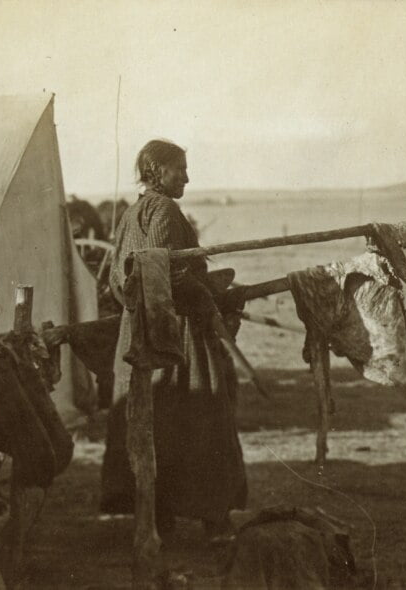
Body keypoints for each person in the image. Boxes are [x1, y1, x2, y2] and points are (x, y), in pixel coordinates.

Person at [100, 139, 247, 541]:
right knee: (204, 417)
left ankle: (159, 516)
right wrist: (207, 293)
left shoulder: (133, 213)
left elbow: (121, 278)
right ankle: (213, 518)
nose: (186, 176)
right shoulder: (163, 209)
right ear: (156, 171)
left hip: (142, 330)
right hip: (174, 333)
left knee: (159, 422)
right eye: (178, 168)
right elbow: (161, 271)